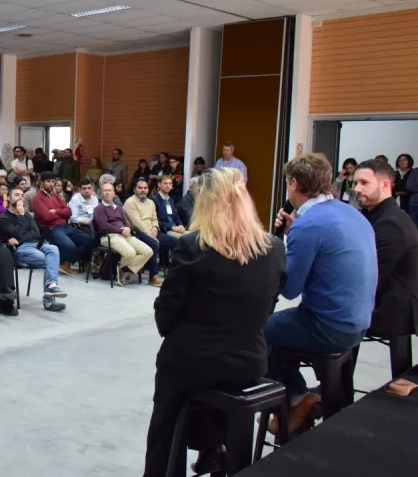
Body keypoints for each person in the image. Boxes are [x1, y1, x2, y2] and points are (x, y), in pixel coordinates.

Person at [144, 167, 286, 477]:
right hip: (248, 360)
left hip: (193, 362)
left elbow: (166, 314)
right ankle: (218, 447)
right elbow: (269, 305)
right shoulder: (274, 248)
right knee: (209, 392)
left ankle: (167, 467)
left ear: (205, 203)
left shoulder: (193, 246)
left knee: (165, 425)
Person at [267, 153, 377, 434]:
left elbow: (290, 289)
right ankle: (298, 399)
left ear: (293, 184)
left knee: (256, 331)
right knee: (279, 338)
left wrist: (287, 244)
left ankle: (296, 398)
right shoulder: (352, 214)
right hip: (360, 322)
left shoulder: (309, 224)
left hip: (328, 327)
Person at [354, 160, 418, 359]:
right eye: (356, 183)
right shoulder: (378, 216)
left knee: (335, 317)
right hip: (385, 298)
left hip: (393, 308)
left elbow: (371, 277)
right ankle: (336, 383)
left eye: (364, 183)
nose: (357, 189)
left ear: (385, 185)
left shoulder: (392, 223)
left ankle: (336, 386)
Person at [0, 186, 67, 312]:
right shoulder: (4, 218)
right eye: (16, 195)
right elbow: (17, 234)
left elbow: (36, 233)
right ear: (8, 197)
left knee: (54, 249)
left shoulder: (28, 216)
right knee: (48, 260)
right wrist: (21, 215)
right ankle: (49, 301)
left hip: (37, 244)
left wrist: (22, 235)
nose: (20, 198)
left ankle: (51, 286)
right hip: (22, 249)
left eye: (21, 195)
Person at [93, 183, 153, 285]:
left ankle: (124, 269)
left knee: (148, 251)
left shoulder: (119, 208)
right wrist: (120, 230)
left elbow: (126, 223)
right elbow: (103, 226)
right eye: (105, 190)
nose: (107, 193)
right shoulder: (99, 208)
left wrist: (128, 229)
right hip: (108, 236)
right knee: (130, 253)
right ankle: (123, 270)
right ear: (101, 193)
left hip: (124, 235)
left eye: (110, 190)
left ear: (114, 193)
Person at [33, 172, 92, 275]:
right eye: (48, 181)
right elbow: (46, 217)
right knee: (71, 246)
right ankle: (62, 262)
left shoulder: (55, 196)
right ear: (42, 183)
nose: (51, 184)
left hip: (65, 227)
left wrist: (55, 211)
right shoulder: (38, 198)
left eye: (53, 181)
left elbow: (68, 212)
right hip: (51, 228)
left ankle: (65, 262)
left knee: (88, 241)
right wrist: (61, 213)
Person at [124, 179, 171, 287]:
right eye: (140, 188)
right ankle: (153, 277)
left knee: (177, 241)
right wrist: (150, 234)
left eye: (145, 188)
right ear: (135, 189)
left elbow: (155, 218)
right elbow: (137, 222)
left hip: (152, 231)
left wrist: (155, 227)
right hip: (139, 232)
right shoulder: (130, 202)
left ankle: (175, 271)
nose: (143, 190)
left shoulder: (151, 202)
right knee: (154, 243)